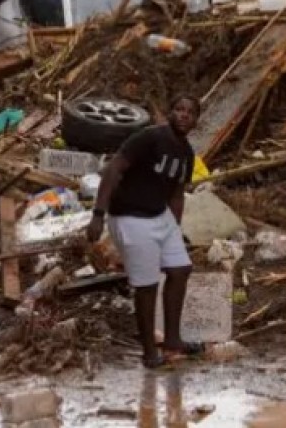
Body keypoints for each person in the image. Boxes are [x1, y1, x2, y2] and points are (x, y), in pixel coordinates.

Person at [87, 95, 203, 369]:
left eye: (190, 112)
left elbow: (177, 193)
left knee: (180, 270)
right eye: (179, 109)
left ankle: (173, 339)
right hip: (130, 216)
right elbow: (114, 169)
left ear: (196, 120)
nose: (184, 115)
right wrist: (98, 214)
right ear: (170, 112)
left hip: (160, 215)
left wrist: (175, 228)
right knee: (147, 285)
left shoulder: (186, 153)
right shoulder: (149, 138)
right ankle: (150, 351)